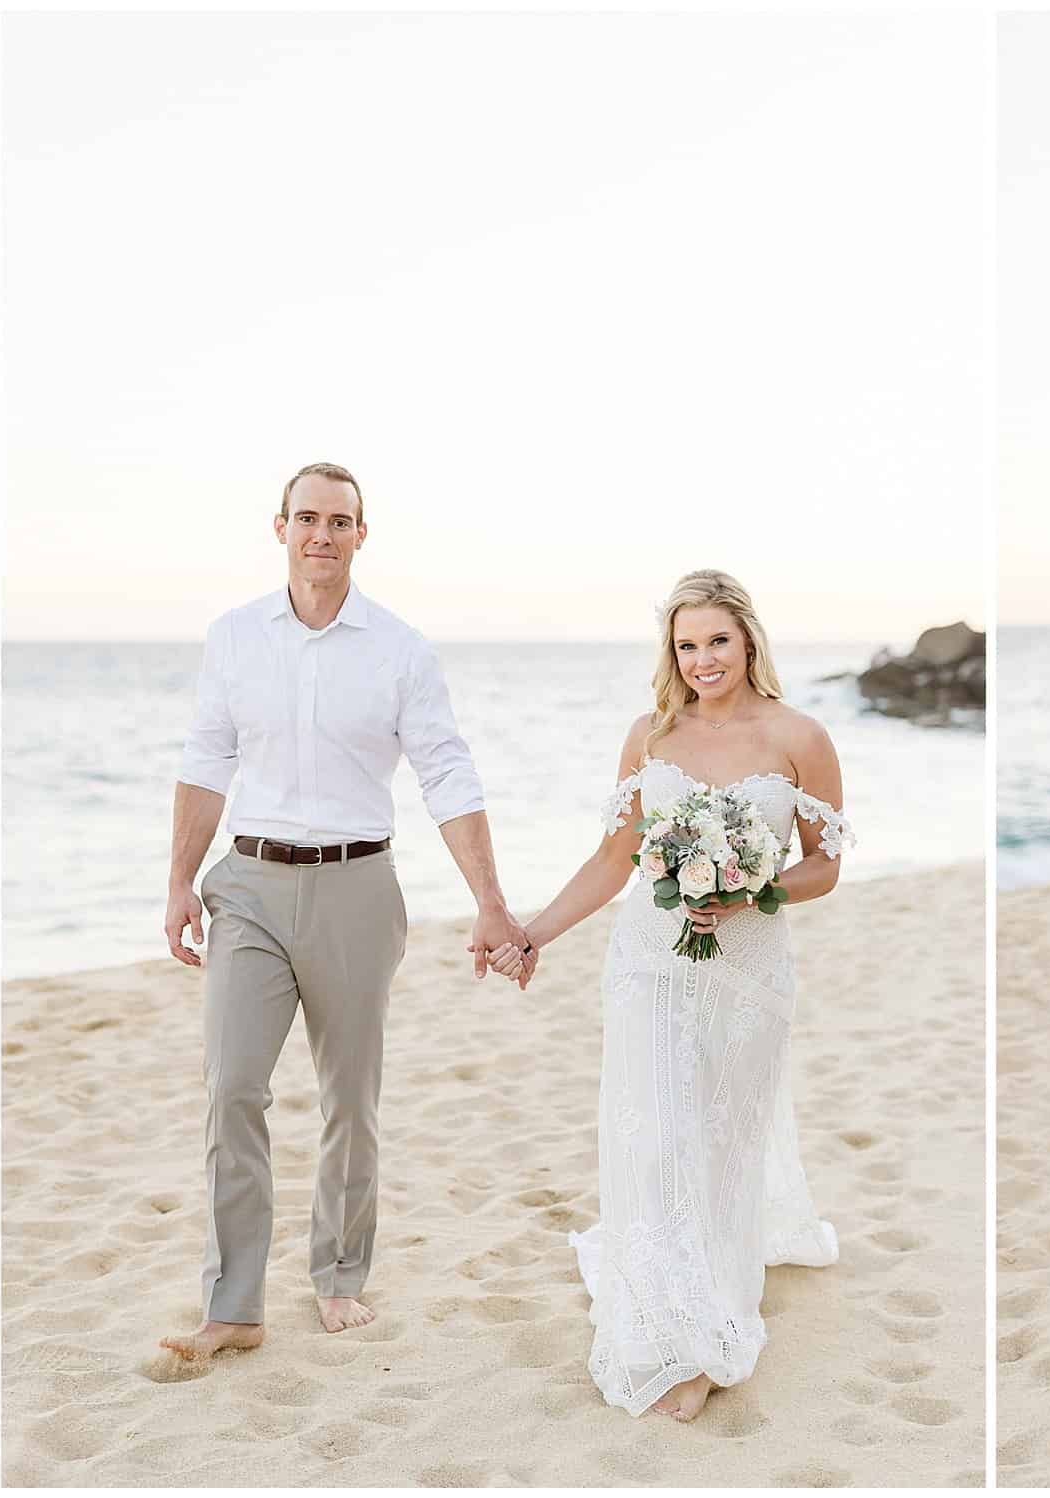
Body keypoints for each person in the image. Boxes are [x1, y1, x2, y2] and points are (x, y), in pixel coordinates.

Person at [160, 462, 530, 1361]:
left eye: (340, 520)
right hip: (245, 885)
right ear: (279, 526)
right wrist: (178, 882)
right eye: (306, 518)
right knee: (232, 1088)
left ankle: (338, 1278)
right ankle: (234, 1304)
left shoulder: (400, 648)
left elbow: (446, 770)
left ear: (363, 535)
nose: (321, 534)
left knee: (348, 1099)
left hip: (359, 887)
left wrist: (490, 901)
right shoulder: (235, 636)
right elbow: (207, 760)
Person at [483, 568, 848, 1421]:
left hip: (748, 967)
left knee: (719, 1141)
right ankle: (671, 1326)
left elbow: (826, 865)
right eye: (686, 646)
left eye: (717, 640)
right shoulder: (649, 736)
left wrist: (756, 893)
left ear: (748, 639)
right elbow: (615, 861)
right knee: (656, 1139)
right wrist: (534, 933)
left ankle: (715, 1318)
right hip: (650, 963)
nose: (702, 661)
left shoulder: (801, 735)